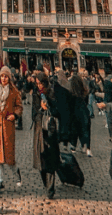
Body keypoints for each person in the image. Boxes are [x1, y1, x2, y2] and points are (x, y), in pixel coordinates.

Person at [0, 67, 23, 193]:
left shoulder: (14, 91)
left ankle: (16, 171)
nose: (3, 78)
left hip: (8, 126)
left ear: (9, 78)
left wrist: (15, 115)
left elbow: (19, 106)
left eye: (6, 76)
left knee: (9, 156)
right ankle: (0, 181)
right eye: (2, 76)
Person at [32, 71, 61, 200]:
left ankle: (50, 188)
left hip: (50, 131)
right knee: (41, 160)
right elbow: (33, 114)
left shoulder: (52, 93)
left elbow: (57, 111)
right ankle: (46, 184)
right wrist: (40, 110)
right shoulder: (36, 95)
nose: (39, 86)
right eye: (37, 84)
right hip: (39, 130)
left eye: (40, 84)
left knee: (50, 159)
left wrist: (48, 106)